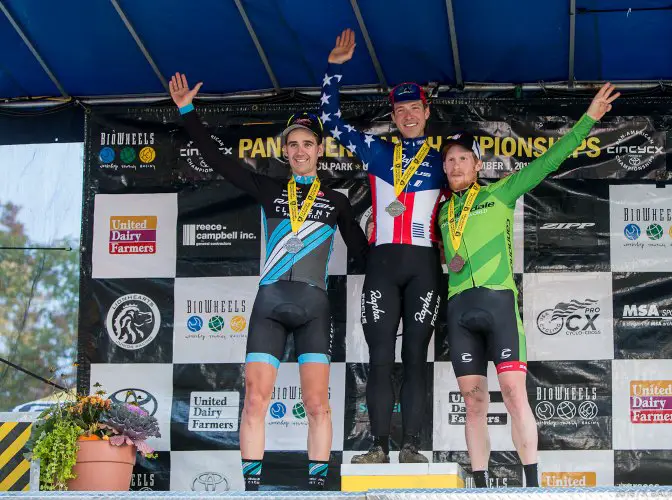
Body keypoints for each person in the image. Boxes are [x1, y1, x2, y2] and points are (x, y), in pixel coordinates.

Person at [169, 73, 369, 490]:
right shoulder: (267, 188)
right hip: (270, 305)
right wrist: (188, 111)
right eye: (293, 144)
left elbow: (364, 252)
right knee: (255, 402)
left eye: (307, 143)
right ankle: (251, 490)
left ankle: (317, 489)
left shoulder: (336, 201)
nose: (300, 150)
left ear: (319, 150)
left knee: (318, 405)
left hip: (314, 308)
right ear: (285, 150)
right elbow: (219, 160)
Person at [437, 84, 619, 488]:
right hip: (459, 311)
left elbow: (550, 160)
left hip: (499, 304)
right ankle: (480, 486)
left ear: (477, 164)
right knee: (473, 402)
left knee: (514, 394)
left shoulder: (501, 192)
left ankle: (532, 484)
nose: (454, 165)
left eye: (462, 158)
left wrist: (588, 119)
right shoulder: (444, 210)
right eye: (448, 160)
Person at [321, 29, 445, 463]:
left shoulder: (445, 158)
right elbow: (331, 122)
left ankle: (411, 446)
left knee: (414, 356)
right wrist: (335, 69)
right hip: (383, 264)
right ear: (392, 115)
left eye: (415, 108)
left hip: (425, 264)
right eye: (400, 109)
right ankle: (377, 445)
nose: (408, 115)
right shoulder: (376, 151)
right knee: (378, 356)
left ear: (426, 112)